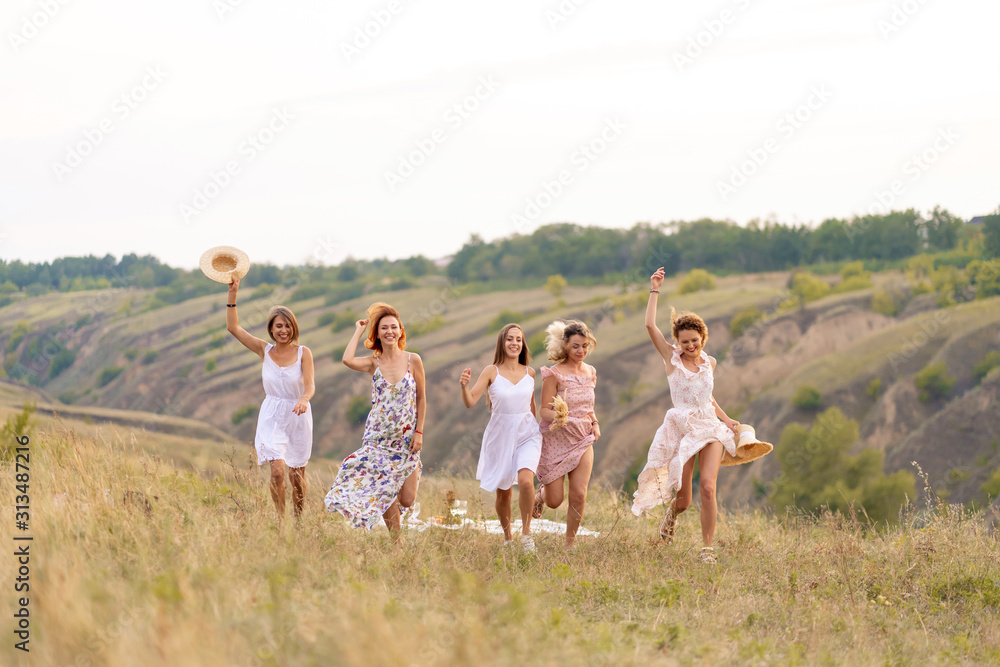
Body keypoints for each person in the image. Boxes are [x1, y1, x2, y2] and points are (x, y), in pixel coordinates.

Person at [631, 267, 740, 564]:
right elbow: (650, 326)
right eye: (685, 342)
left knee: (707, 487)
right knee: (683, 499)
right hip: (683, 428)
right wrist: (655, 289)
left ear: (703, 337)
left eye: (695, 340)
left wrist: (727, 420)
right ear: (677, 342)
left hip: (711, 428)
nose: (690, 346)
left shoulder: (710, 363)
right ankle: (671, 516)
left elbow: (708, 398)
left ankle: (707, 550)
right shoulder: (671, 359)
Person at [324, 302, 425, 542]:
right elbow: (347, 360)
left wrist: (419, 431)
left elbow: (422, 398)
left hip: (406, 439)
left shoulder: (414, 360)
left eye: (394, 327)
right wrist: (358, 331)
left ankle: (404, 485)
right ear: (378, 334)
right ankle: (396, 542)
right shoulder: (373, 363)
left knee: (407, 500)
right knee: (385, 489)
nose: (390, 331)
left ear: (400, 331)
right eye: (384, 328)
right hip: (378, 439)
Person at [225, 276, 314, 521]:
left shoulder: (304, 353)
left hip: (298, 415)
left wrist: (304, 398)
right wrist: (233, 294)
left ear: (293, 327)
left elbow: (310, 384)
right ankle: (281, 523)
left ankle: (298, 523)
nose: (283, 330)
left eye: (287, 326)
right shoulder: (263, 350)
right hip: (272, 416)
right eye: (278, 326)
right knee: (277, 473)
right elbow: (234, 328)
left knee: (297, 477)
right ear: (271, 329)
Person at [460, 323, 542, 552]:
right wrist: (464, 387)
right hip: (501, 436)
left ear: (523, 344)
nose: (514, 343)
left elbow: (531, 407)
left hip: (528, 434)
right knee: (504, 493)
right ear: (502, 343)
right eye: (510, 339)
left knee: (526, 482)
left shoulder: (530, 373)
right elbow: (470, 401)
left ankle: (526, 536)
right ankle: (508, 539)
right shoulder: (491, 371)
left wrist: (540, 436)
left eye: (518, 339)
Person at [532, 319, 600, 550]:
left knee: (579, 495)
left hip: (583, 438)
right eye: (575, 346)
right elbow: (543, 411)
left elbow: (589, 407)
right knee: (555, 501)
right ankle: (540, 496)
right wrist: (560, 417)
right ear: (565, 347)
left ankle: (569, 545)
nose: (581, 351)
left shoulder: (590, 372)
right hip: (557, 440)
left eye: (584, 346)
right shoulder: (554, 374)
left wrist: (595, 423)